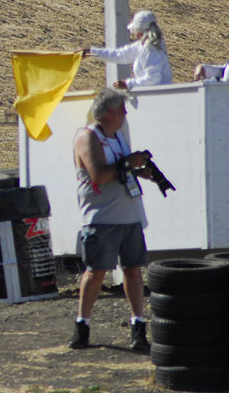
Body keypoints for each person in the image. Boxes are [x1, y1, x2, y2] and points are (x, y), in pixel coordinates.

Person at [69, 87, 153, 351]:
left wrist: (143, 171)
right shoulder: (87, 137)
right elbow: (99, 176)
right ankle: (82, 326)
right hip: (101, 217)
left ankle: (138, 327)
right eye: (122, 110)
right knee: (96, 272)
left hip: (128, 214)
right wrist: (129, 163)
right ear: (109, 112)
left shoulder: (117, 136)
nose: (125, 114)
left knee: (133, 270)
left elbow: (120, 170)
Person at [80, 10, 172, 89]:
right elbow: (119, 55)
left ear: (139, 31)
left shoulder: (151, 50)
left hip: (158, 100)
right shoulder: (142, 46)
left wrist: (128, 84)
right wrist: (91, 52)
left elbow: (153, 79)